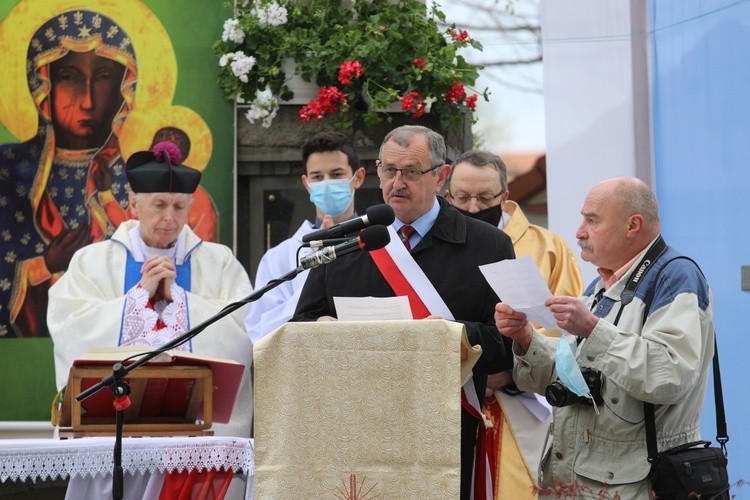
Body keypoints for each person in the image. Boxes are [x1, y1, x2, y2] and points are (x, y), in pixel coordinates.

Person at [293, 125, 516, 499]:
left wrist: (452, 335)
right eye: (387, 170)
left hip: (441, 432)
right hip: (355, 428)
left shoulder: (489, 244)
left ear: (441, 176)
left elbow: (508, 341)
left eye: (411, 172)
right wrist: (321, 326)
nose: (396, 183)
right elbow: (299, 325)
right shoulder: (344, 242)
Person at [494, 176, 715, 498]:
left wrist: (592, 330)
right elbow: (572, 376)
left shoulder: (675, 277)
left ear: (633, 225)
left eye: (592, 220)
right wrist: (526, 338)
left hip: (637, 483)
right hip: (580, 481)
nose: (579, 232)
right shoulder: (603, 285)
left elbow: (669, 377)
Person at [47, 142, 254, 437]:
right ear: (134, 204)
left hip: (194, 433)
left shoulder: (218, 262)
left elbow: (243, 332)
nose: (170, 218)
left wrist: (180, 301)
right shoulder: (93, 261)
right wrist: (139, 296)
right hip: (112, 431)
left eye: (179, 206)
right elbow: (70, 327)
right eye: (159, 205)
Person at [446, 149, 583, 485]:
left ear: (505, 197)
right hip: (448, 400)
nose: (473, 207)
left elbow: (567, 329)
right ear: (447, 195)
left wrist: (510, 372)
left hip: (521, 400)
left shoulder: (549, 247)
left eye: (484, 197)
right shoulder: (434, 248)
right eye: (462, 197)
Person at [0, 10, 137, 338]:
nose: (87, 100)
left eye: (103, 76)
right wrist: (46, 263)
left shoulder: (136, 174)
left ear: (125, 89)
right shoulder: (9, 170)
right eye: (70, 77)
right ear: (43, 85)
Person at [244, 131, 365, 344]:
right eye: (317, 177)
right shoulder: (278, 258)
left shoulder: (379, 244)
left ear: (358, 178)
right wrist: (316, 269)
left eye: (337, 175)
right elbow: (260, 333)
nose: (326, 183)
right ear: (307, 184)